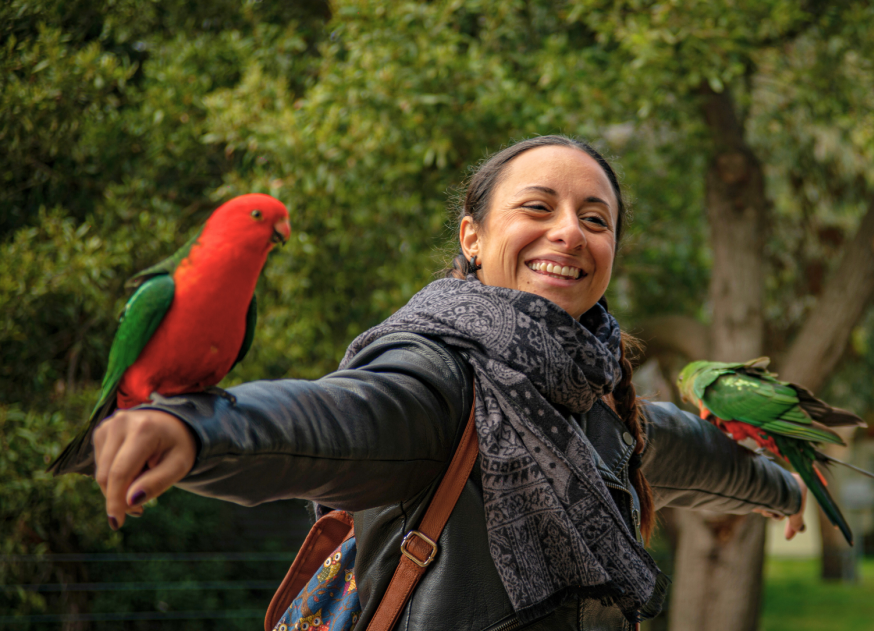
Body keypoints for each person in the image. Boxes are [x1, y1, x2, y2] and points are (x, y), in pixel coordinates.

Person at [86, 136, 807, 631]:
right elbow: (340, 418)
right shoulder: (436, 373)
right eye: (537, 208)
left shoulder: (598, 397)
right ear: (473, 238)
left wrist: (784, 489)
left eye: (596, 219)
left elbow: (684, 452)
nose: (569, 232)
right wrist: (196, 428)